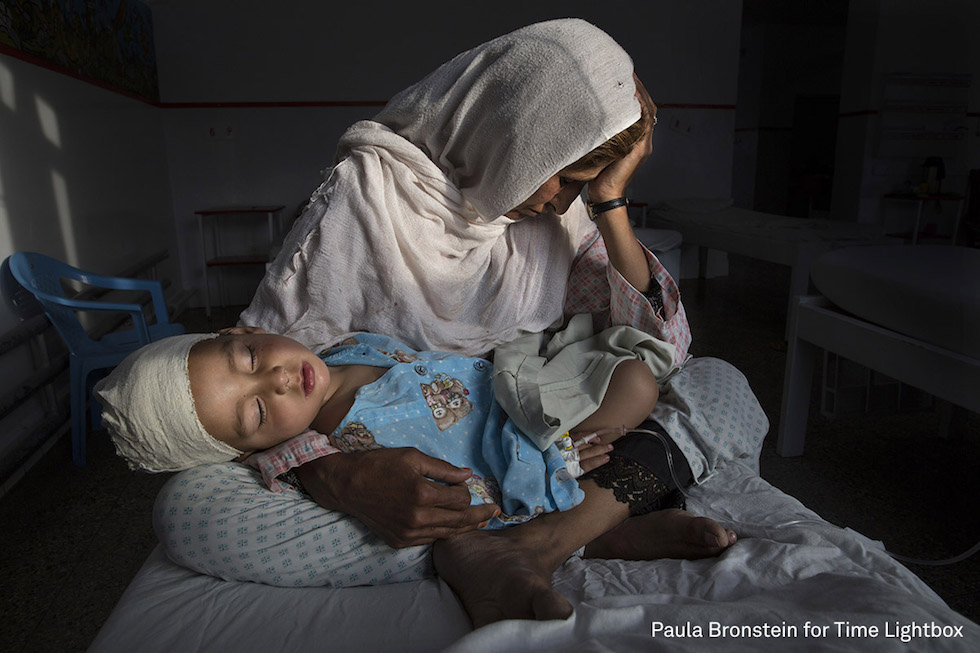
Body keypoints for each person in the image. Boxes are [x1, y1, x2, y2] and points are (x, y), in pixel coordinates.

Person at [154, 19, 768, 627]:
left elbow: (658, 342)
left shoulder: (559, 216)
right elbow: (273, 389)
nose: (560, 200)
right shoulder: (366, 197)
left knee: (719, 384)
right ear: (514, 135)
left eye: (579, 186)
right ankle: (598, 524)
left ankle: (537, 541)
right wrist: (343, 478)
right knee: (190, 512)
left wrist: (608, 203)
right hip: (413, 463)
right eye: (564, 178)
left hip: (541, 425)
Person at [94, 324, 676, 529]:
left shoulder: (344, 349)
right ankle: (605, 532)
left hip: (516, 383)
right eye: (258, 413)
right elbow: (472, 481)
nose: (276, 379)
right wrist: (554, 460)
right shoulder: (353, 439)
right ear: (255, 447)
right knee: (636, 385)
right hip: (526, 439)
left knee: (625, 358)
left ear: (240, 331)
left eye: (248, 357)